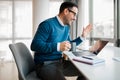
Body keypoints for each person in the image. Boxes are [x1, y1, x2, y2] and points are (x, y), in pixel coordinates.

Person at [31, 1, 92, 80]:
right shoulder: (47, 24)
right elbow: (35, 45)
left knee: (87, 71)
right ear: (66, 11)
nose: (75, 18)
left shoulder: (66, 27)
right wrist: (58, 46)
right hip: (45, 64)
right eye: (74, 14)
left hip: (60, 62)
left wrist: (82, 37)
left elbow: (69, 45)